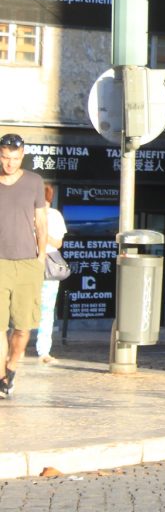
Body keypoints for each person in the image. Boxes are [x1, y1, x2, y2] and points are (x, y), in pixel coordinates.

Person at [0, 133, 47, 399]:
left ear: (23, 155)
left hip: (28, 263)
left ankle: (12, 366)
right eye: (5, 158)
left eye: (15, 158)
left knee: (23, 327)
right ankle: (1, 377)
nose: (9, 163)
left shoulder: (34, 182)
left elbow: (41, 222)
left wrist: (40, 258)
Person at [36, 183, 66, 364]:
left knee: (46, 309)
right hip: (24, 262)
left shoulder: (54, 216)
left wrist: (41, 232)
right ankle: (14, 347)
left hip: (47, 265)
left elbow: (58, 242)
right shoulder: (23, 212)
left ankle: (43, 351)